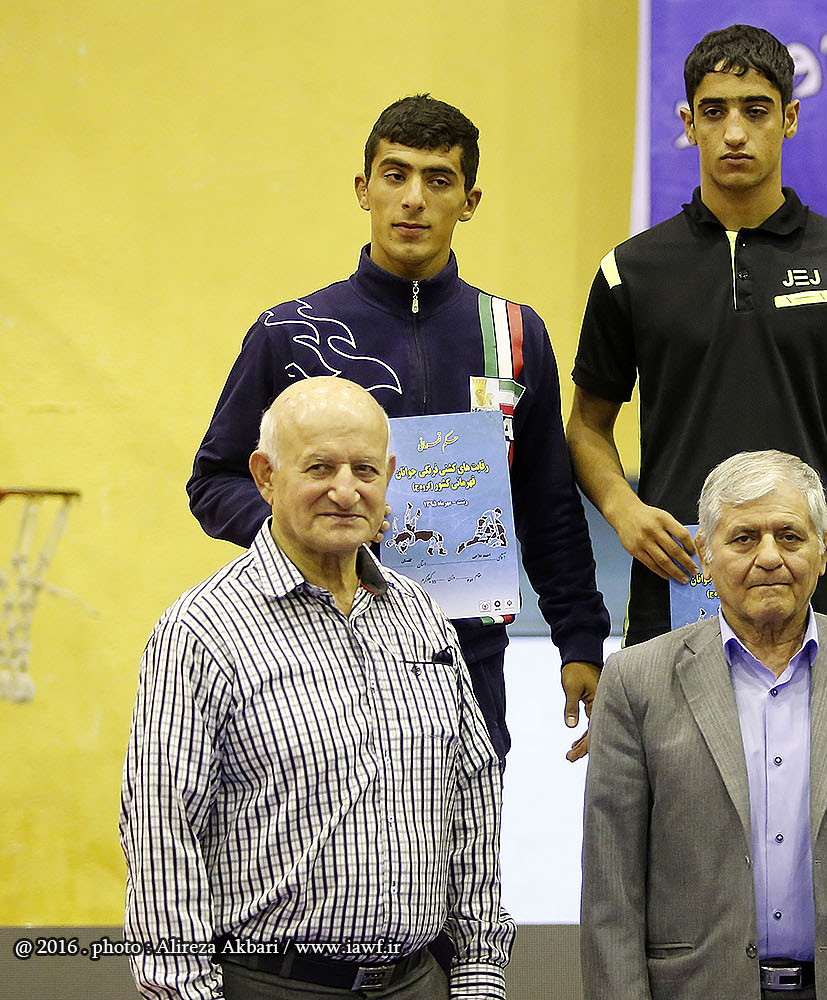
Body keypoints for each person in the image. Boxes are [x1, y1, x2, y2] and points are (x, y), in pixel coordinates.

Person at [187, 94, 609, 762]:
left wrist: (580, 637)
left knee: (465, 834)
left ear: (469, 201)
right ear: (364, 189)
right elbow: (214, 482)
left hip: (464, 661)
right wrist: (311, 526)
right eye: (395, 175)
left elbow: (547, 504)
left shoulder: (514, 334)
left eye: (438, 180)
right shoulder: (289, 334)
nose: (413, 199)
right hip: (318, 651)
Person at [123, 378, 513, 1000]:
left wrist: (478, 973)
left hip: (418, 981)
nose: (345, 491)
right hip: (268, 983)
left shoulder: (422, 617)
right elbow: (161, 831)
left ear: (389, 477)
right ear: (265, 476)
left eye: (365, 470)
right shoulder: (202, 631)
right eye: (319, 468)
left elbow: (472, 796)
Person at [581, 451, 827, 1000]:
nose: (769, 557)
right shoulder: (634, 680)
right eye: (744, 539)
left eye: (790, 537)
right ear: (705, 553)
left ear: (824, 550)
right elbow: (611, 891)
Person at [568, 24, 827, 650]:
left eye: (755, 111)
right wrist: (623, 507)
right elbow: (587, 426)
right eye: (714, 112)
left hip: (811, 583)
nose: (734, 132)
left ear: (790, 119)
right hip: (679, 578)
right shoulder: (631, 269)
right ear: (688, 123)